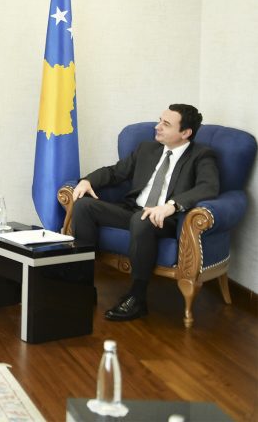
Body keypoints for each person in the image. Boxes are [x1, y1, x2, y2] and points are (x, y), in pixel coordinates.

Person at [70, 104, 219, 322]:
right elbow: (116, 172)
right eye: (159, 120)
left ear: (185, 132)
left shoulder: (202, 155)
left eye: (166, 124)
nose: (157, 127)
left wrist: (172, 205)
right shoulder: (147, 149)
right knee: (84, 206)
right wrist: (87, 181)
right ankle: (82, 285)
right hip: (132, 210)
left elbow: (208, 187)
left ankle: (137, 298)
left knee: (142, 221)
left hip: (165, 219)